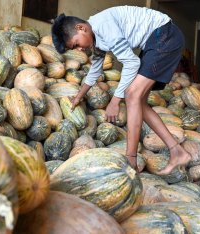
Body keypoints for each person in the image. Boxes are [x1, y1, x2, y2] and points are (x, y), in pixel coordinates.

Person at [51, 5, 191, 174]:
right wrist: (79, 96)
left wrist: (115, 100)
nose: (79, 49)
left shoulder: (104, 26)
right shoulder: (96, 36)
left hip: (165, 36)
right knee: (139, 102)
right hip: (155, 41)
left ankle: (130, 160)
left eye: (75, 44)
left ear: (81, 28)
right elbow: (96, 69)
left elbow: (132, 63)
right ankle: (177, 151)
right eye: (75, 49)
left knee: (131, 95)